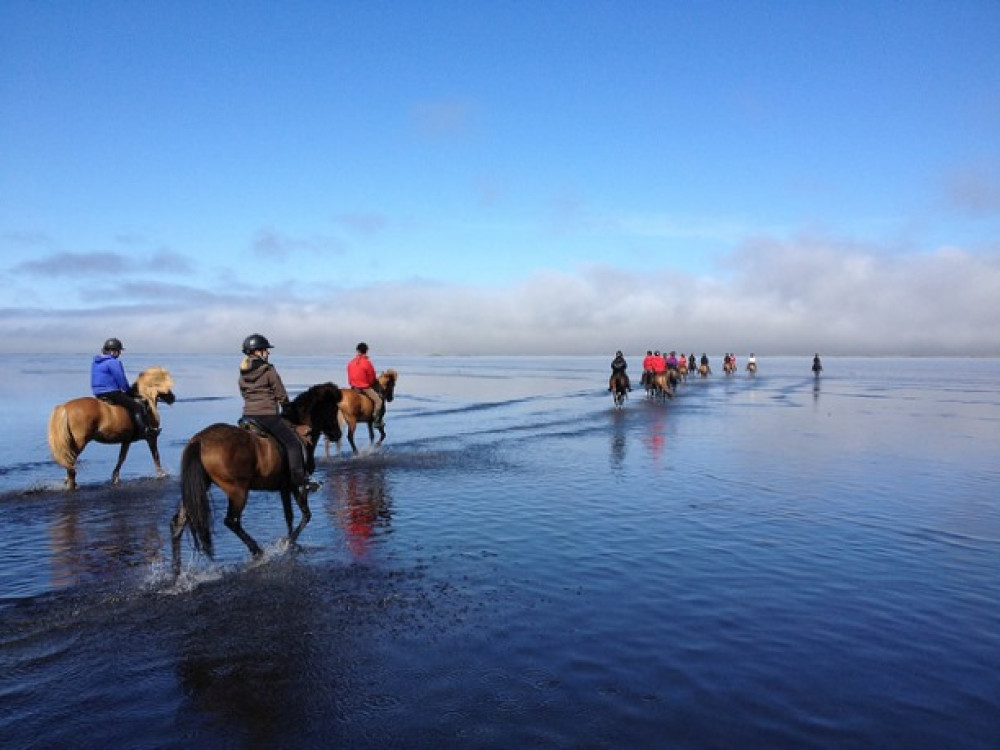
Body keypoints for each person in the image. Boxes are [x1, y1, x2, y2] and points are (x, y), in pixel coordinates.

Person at [239, 333, 318, 495]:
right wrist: (287, 408)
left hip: (247, 416)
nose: (268, 353)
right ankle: (300, 482)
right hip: (267, 416)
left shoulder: (243, 372)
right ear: (257, 352)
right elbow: (281, 394)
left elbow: (244, 393)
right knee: (293, 444)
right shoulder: (268, 370)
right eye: (266, 350)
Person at [91, 337, 155, 438]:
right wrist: (128, 390)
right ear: (113, 351)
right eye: (119, 351)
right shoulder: (113, 362)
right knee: (137, 406)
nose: (120, 353)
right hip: (111, 392)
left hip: (97, 392)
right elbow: (121, 379)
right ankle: (145, 431)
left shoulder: (96, 362)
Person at [347, 342, 385, 429]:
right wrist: (371, 384)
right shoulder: (367, 363)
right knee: (379, 401)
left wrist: (352, 383)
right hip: (364, 387)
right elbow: (372, 377)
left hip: (353, 387)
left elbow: (349, 375)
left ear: (357, 351)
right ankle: (376, 421)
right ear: (366, 351)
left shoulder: (351, 362)